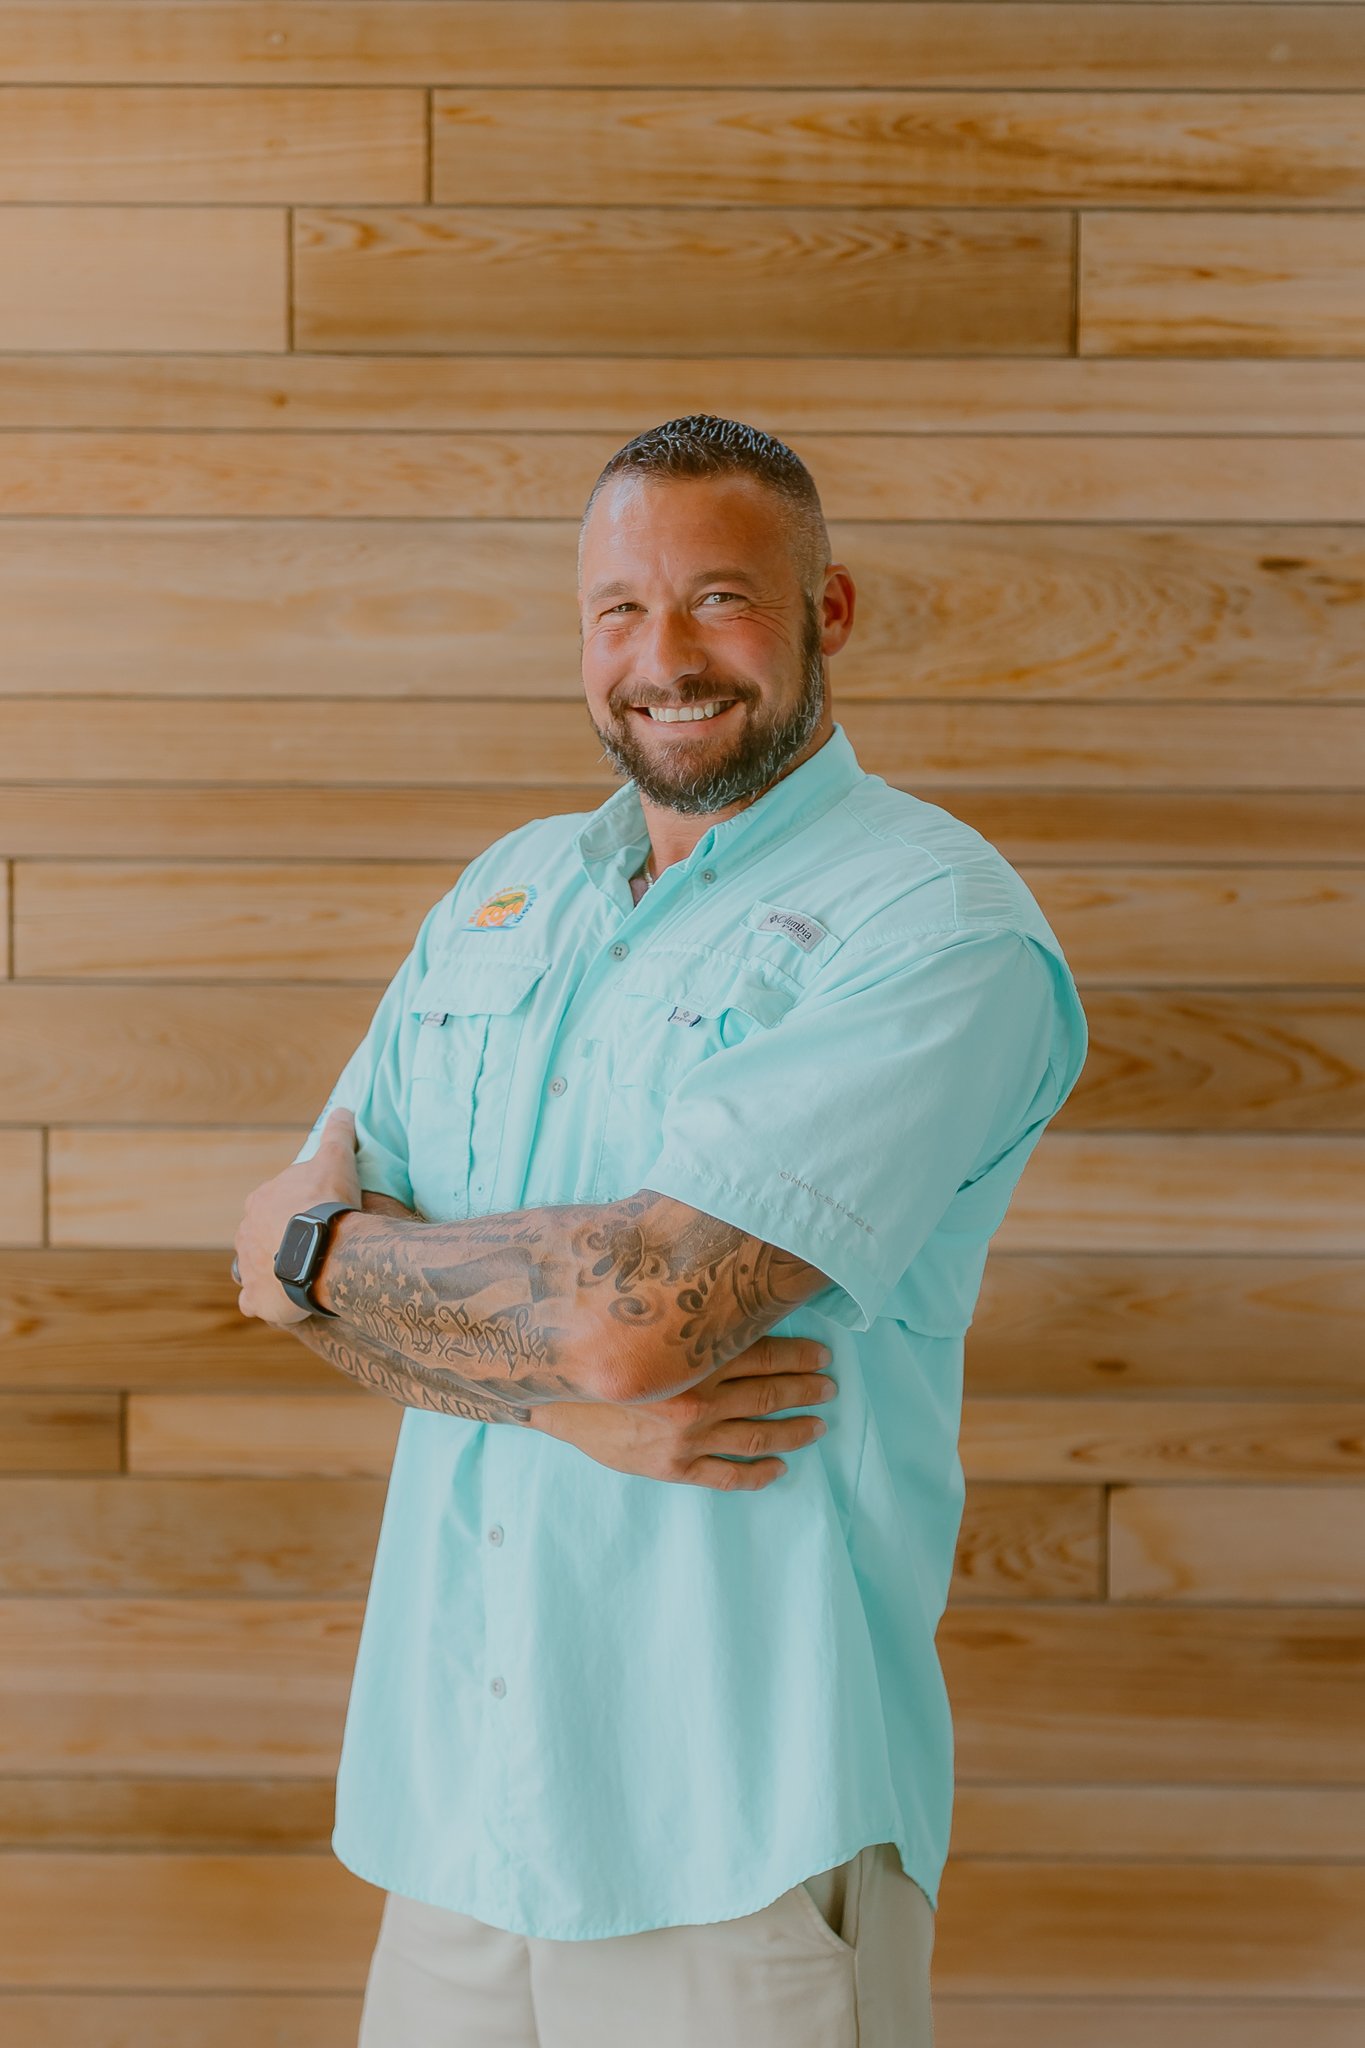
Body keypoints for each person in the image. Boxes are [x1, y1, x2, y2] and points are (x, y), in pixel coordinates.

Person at [232, 413, 1089, 2047]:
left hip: (732, 1836)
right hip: (454, 1826)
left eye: (719, 599)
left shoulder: (934, 925)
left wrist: (335, 1258)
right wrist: (543, 1393)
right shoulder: (506, 895)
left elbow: (634, 1314)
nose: (665, 656)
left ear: (827, 614)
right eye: (620, 610)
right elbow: (281, 1283)